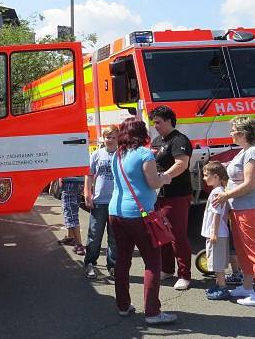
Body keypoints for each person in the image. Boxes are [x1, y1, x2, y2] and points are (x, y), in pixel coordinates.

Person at [108, 117, 176, 323]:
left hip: (116, 212)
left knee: (122, 260)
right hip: (140, 214)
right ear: (142, 132)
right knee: (152, 262)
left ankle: (123, 305)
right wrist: (165, 177)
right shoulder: (144, 153)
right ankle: (153, 312)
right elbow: (153, 181)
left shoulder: (118, 154)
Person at [212, 115, 255, 307]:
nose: (230, 134)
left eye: (232, 131)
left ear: (241, 133)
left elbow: (250, 184)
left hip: (251, 207)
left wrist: (225, 196)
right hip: (240, 208)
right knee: (243, 250)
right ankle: (247, 287)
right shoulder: (244, 152)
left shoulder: (253, 153)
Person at [148, 105, 193, 291]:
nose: (155, 126)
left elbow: (181, 164)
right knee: (162, 234)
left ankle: (184, 275)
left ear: (168, 121)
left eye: (158, 122)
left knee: (177, 236)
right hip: (159, 195)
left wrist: (164, 177)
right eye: (154, 123)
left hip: (177, 195)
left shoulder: (179, 140)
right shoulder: (158, 140)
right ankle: (167, 269)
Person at [83, 126, 119, 279]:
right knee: (94, 235)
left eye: (113, 137)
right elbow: (89, 175)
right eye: (107, 137)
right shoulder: (97, 154)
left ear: (118, 138)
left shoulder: (121, 155)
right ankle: (90, 263)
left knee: (114, 237)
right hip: (99, 201)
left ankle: (113, 265)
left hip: (116, 202)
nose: (110, 140)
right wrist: (87, 193)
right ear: (103, 139)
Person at [201, 161, 231, 300]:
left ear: (217, 177)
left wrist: (213, 232)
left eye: (207, 175)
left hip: (217, 233)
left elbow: (217, 214)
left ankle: (223, 288)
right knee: (217, 260)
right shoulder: (219, 191)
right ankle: (218, 285)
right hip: (219, 232)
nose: (204, 178)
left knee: (217, 263)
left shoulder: (217, 193)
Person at [60, 175, 86, 255]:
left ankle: (79, 244)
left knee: (70, 214)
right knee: (72, 211)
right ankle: (70, 237)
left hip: (70, 182)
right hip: (80, 181)